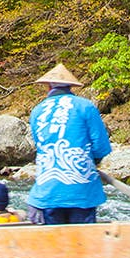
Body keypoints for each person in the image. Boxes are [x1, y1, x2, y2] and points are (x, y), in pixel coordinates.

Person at [25, 63, 111, 225]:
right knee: (82, 244)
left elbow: (40, 145)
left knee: (55, 246)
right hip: (81, 190)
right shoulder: (86, 106)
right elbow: (101, 147)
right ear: (70, 86)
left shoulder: (37, 111)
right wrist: (92, 161)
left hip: (47, 191)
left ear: (49, 86)